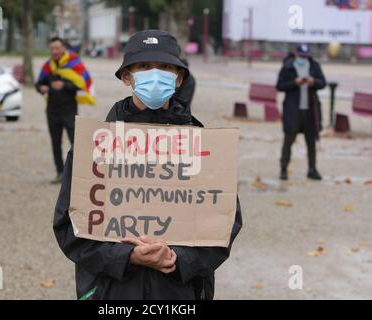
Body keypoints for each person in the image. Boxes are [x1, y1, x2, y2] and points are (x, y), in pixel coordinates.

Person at [53, 30, 242, 300]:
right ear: (126, 76)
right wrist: (127, 256)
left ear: (179, 78)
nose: (155, 74)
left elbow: (225, 221)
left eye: (164, 67)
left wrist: (178, 258)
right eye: (144, 66)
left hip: (180, 293)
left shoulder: (203, 146)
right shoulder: (94, 146)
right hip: (111, 293)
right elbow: (68, 226)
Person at [36, 37, 94, 183]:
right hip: (52, 110)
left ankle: (79, 174)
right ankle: (60, 173)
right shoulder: (48, 66)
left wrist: (65, 85)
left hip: (69, 110)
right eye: (52, 49)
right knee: (55, 143)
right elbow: (39, 84)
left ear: (63, 48)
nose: (54, 51)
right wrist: (41, 88)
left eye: (57, 48)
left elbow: (82, 84)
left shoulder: (74, 63)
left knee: (75, 143)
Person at [276, 44, 326, 181]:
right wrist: (294, 83)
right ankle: (283, 169)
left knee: (311, 142)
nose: (304, 58)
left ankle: (312, 169)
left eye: (306, 56)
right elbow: (279, 86)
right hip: (293, 110)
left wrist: (313, 82)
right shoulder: (287, 66)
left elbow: (323, 83)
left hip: (310, 110)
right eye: (301, 56)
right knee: (288, 140)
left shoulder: (314, 66)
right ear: (296, 54)